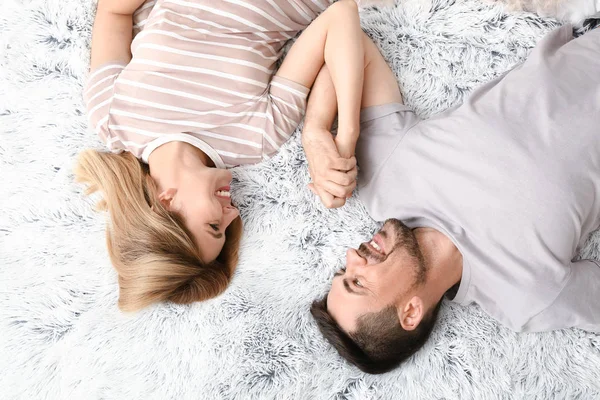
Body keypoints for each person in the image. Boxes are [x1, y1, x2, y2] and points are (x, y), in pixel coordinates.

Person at [308, 25, 600, 374]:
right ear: (411, 312)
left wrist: (317, 132)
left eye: (344, 269)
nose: (352, 256)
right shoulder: (525, 297)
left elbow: (349, 36)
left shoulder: (384, 178)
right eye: (356, 281)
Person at [78, 0, 383, 311]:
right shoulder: (256, 139)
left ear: (165, 201)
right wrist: (343, 139)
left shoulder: (111, 117)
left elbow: (114, 11)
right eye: (226, 230)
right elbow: (341, 16)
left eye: (214, 225)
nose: (233, 214)